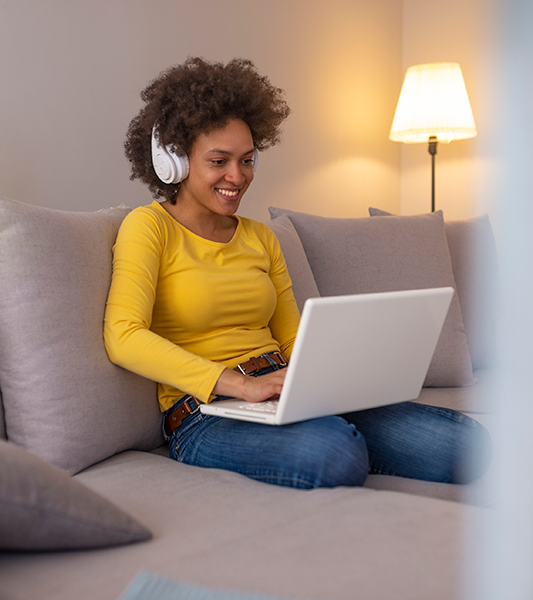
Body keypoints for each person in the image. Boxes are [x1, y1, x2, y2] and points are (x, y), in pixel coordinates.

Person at [104, 57, 491, 489]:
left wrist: (335, 376)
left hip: (287, 387)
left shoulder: (259, 237)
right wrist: (238, 384)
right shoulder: (149, 226)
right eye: (219, 161)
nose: (237, 176)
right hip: (205, 413)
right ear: (175, 160)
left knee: (467, 443)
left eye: (247, 160)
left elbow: (292, 336)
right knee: (336, 450)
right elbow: (123, 335)